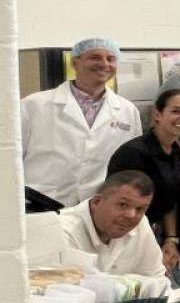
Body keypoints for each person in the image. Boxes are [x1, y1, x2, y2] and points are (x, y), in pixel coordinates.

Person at [23, 37, 143, 207]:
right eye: (95, 57)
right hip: (39, 201)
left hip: (96, 206)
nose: (104, 64)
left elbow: (130, 164)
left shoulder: (127, 110)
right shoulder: (34, 105)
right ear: (74, 63)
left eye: (111, 59)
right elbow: (9, 156)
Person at [107, 89, 180, 302]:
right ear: (157, 115)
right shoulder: (135, 153)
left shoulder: (175, 150)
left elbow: (171, 199)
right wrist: (154, 248)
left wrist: (170, 239)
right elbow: (125, 207)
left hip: (163, 237)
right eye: (176, 111)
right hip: (132, 237)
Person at [58, 171, 169, 287]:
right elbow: (65, 290)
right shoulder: (62, 229)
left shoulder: (141, 223)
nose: (131, 215)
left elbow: (158, 280)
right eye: (123, 205)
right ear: (97, 202)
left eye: (140, 209)